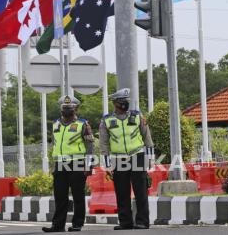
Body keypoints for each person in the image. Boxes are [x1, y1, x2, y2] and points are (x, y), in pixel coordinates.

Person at [99, 88, 154, 230]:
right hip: (118, 159)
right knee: (122, 191)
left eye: (126, 101)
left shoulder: (137, 116)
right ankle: (125, 222)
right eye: (122, 102)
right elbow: (103, 144)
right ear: (115, 103)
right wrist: (107, 166)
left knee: (140, 190)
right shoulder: (107, 120)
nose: (125, 104)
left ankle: (142, 221)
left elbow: (147, 138)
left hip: (137, 155)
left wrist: (150, 158)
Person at [42, 95, 95, 233]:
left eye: (69, 108)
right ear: (61, 109)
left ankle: (77, 224)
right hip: (60, 164)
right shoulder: (55, 124)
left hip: (77, 163)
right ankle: (58, 225)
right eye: (64, 108)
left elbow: (90, 146)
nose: (66, 110)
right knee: (60, 196)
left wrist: (88, 165)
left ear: (75, 109)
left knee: (78, 195)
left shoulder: (83, 124)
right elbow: (55, 144)